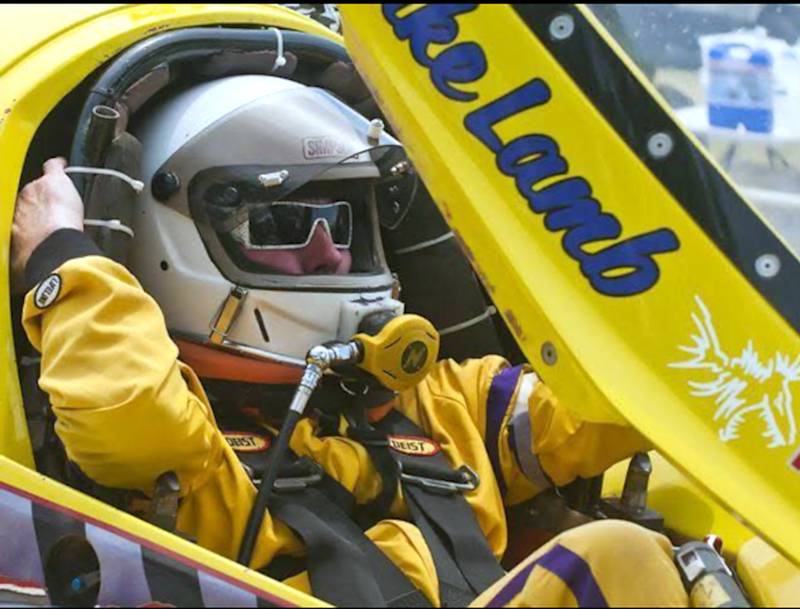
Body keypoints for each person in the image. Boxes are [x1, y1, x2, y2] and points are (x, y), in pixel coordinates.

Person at [11, 74, 688, 607]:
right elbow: (129, 414)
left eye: (342, 221)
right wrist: (62, 255)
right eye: (282, 224)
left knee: (662, 559)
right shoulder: (191, 449)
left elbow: (634, 393)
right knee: (617, 555)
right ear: (174, 242)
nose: (330, 252)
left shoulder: (443, 401)